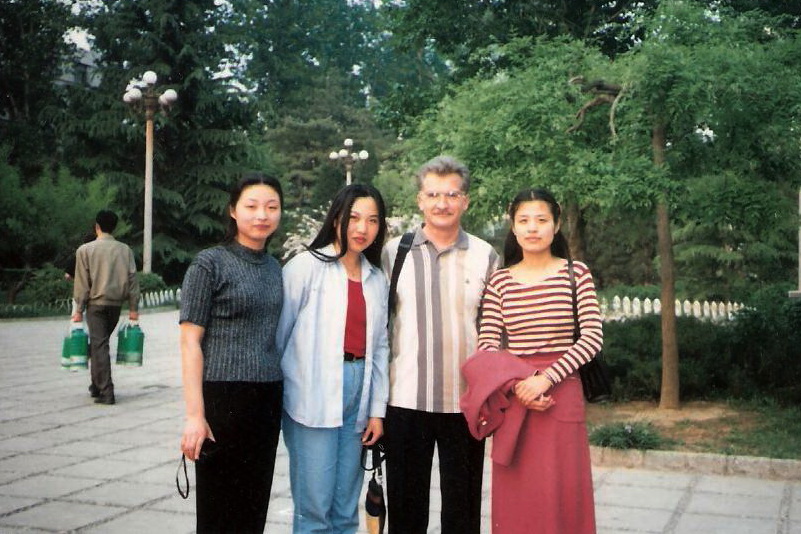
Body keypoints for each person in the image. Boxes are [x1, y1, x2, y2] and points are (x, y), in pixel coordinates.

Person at [380, 156, 500, 534]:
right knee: (406, 512)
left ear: (465, 201)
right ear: (420, 200)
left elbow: (495, 331)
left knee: (462, 513)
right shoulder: (393, 253)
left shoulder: (485, 256)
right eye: (433, 194)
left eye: (451, 195)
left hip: (464, 403)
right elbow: (380, 326)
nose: (442, 203)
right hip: (405, 400)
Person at [476, 187, 603, 534]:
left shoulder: (576, 274)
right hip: (517, 399)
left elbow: (592, 337)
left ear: (556, 225)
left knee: (564, 493)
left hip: (561, 395)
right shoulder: (500, 281)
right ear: (513, 227)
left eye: (541, 220)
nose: (532, 228)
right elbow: (488, 344)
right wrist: (519, 386)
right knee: (519, 498)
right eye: (524, 220)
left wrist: (545, 379)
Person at [277, 183, 390, 534]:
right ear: (336, 218)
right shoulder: (305, 268)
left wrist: (376, 410)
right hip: (312, 395)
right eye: (354, 218)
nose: (362, 228)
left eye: (372, 220)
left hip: (358, 393)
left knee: (345, 509)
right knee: (315, 510)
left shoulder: (376, 278)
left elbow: (381, 347)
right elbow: (279, 337)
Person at [179, 173, 284, 533]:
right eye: (251, 206)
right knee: (218, 509)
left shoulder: (274, 268)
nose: (262, 215)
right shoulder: (209, 263)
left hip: (267, 397)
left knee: (254, 505)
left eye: (271, 207)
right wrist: (195, 415)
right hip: (222, 398)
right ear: (233, 211)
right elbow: (189, 342)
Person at [72, 210, 139, 405]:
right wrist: (133, 308)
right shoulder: (125, 250)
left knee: (99, 345)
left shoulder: (85, 250)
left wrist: (78, 309)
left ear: (97, 226)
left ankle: (106, 390)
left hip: (96, 305)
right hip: (115, 306)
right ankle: (96, 385)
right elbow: (133, 280)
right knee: (99, 344)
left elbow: (82, 283)